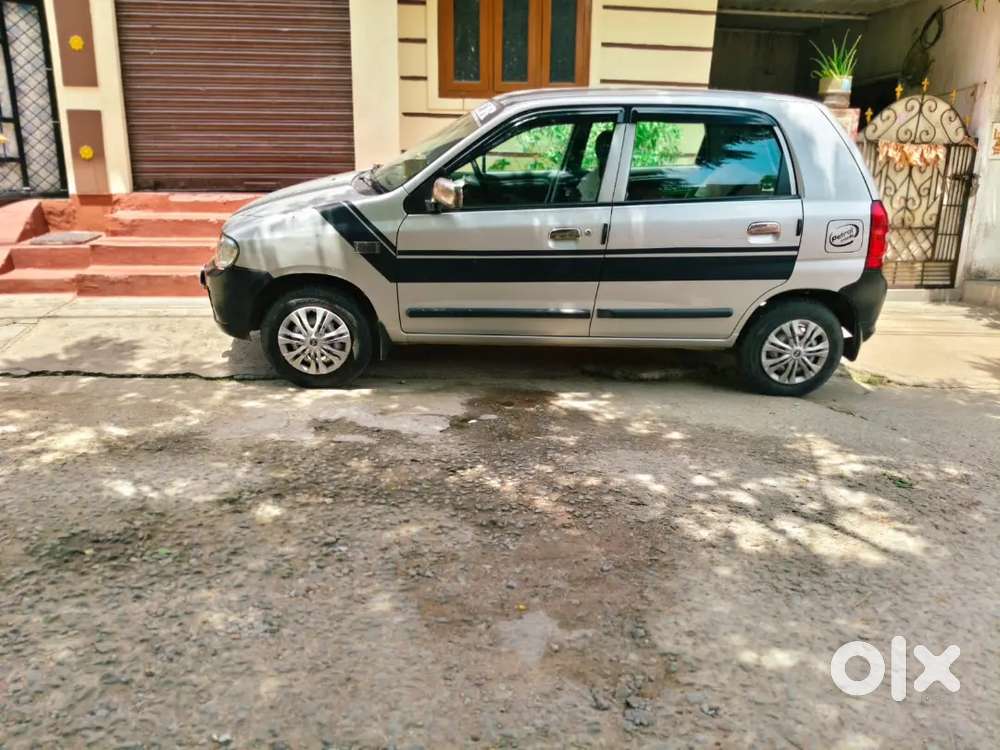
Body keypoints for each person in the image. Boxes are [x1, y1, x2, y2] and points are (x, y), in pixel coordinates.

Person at [577, 128, 613, 202]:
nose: (604, 150)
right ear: (596, 150)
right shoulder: (589, 180)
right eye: (601, 146)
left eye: (608, 146)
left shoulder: (623, 180)